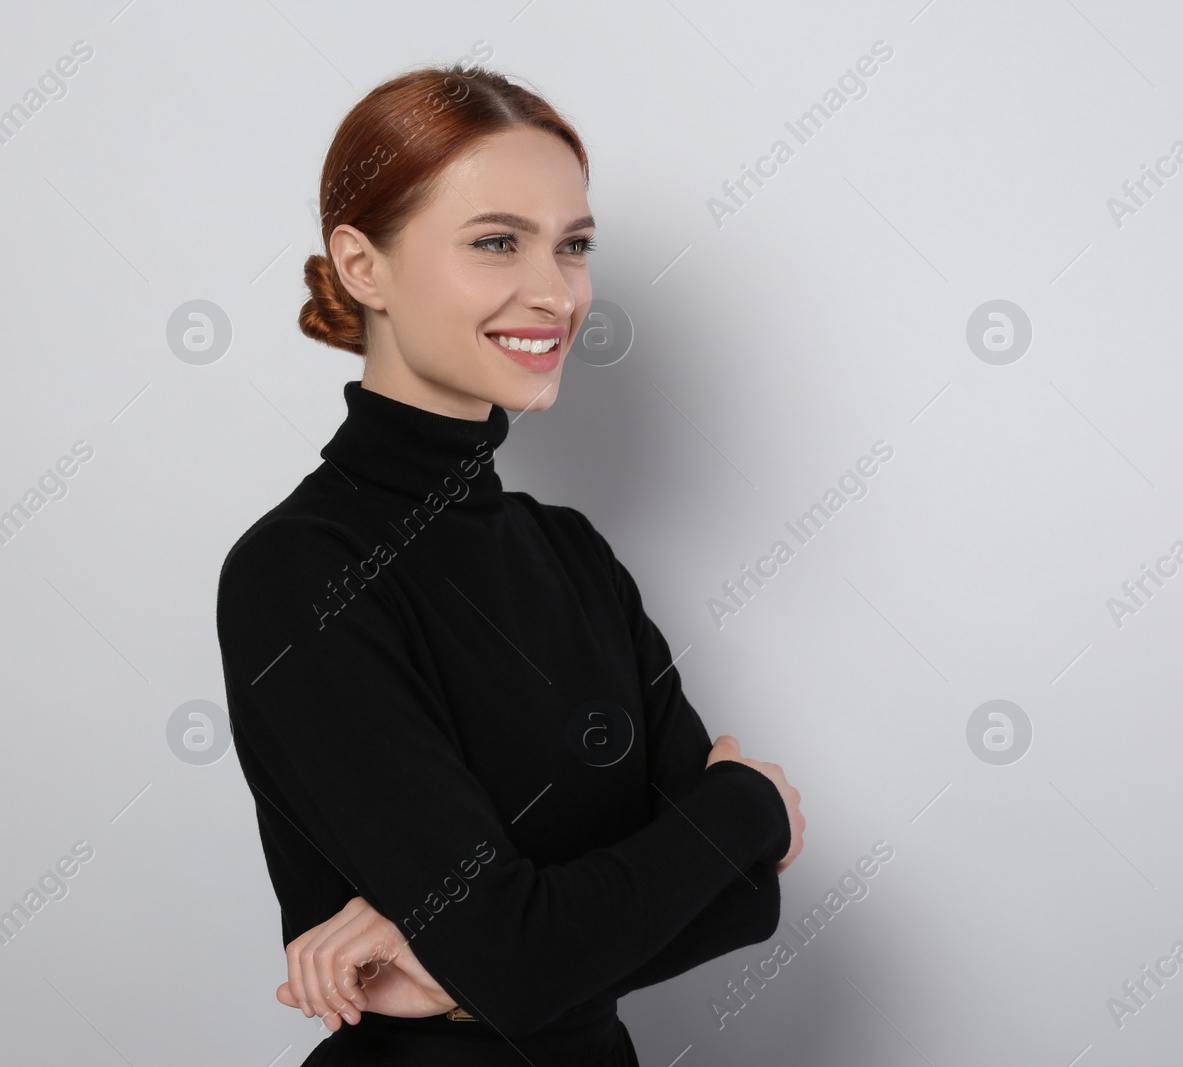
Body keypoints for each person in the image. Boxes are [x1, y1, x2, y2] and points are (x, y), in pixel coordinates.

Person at [214, 62, 805, 1066]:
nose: (554, 291)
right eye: (496, 242)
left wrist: (469, 952)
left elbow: (749, 901)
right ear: (363, 266)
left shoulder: (571, 552)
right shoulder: (303, 569)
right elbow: (527, 951)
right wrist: (749, 805)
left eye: (572, 246)